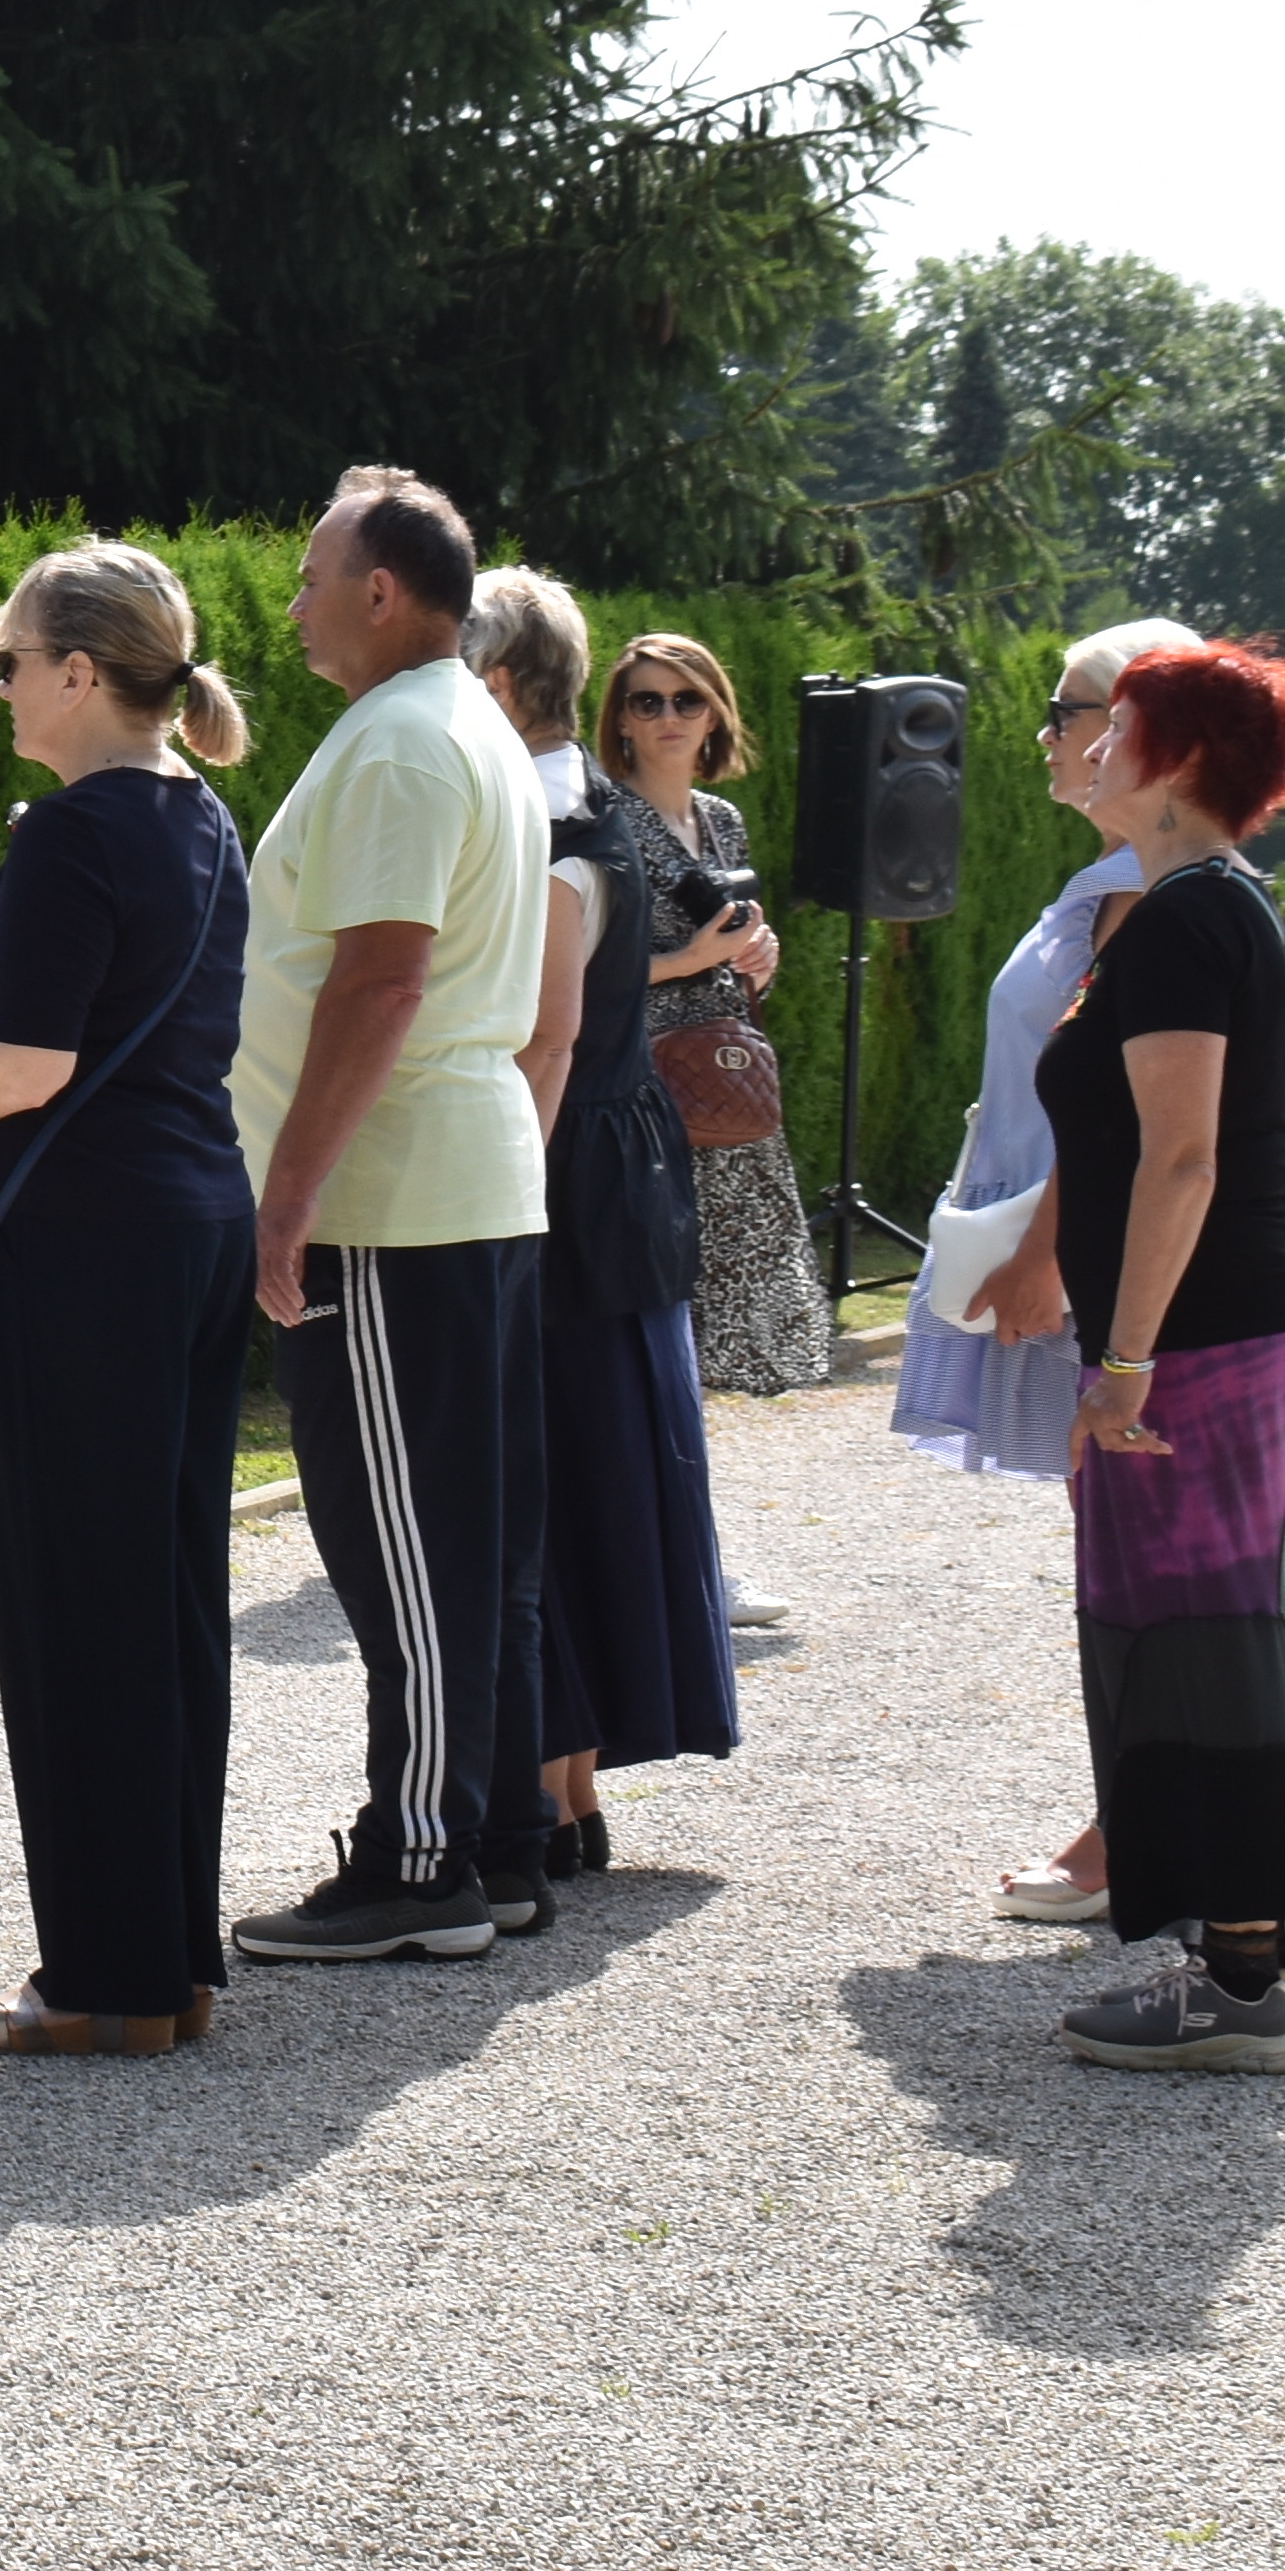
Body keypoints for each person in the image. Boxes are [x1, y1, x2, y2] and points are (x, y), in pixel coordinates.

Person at [0, 544, 257, 2055]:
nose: (0, 678)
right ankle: (167, 1955)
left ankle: (105, 1981)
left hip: (93, 1253)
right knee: (163, 1599)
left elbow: (37, 1063)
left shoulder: (80, 832)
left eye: (13, 656)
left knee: (77, 1608)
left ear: (82, 672)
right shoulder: (204, 817)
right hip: (193, 1228)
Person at [224, 469, 557, 1967]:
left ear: (382, 591)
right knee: (465, 1536)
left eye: (312, 574)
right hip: (452, 1172)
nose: (292, 602)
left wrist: (288, 1193)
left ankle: (420, 1858)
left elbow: (381, 978)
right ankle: (485, 1841)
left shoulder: (408, 742)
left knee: (403, 1543)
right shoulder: (459, 722)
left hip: (391, 1189)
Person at [1026, 638, 1285, 2074]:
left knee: (1209, 1650)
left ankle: (1243, 1976)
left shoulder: (1187, 922)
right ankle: (1224, 1949)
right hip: (1207, 1341)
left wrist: (1129, 1361)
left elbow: (1187, 1159)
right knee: (1184, 1642)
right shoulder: (1185, 911)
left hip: (1199, 1349)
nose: (1086, 740)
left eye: (1115, 721)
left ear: (1173, 755)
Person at [893, 615, 1200, 1927]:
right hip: (1065, 1242)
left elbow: (1124, 1102)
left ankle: (1139, 1834)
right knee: (1121, 1552)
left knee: (1142, 1556)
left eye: (1068, 711)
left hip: (1091, 1264)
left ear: (1131, 727)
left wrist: (1043, 1256)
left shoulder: (1146, 882)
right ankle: (1129, 1820)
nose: (1050, 739)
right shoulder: (1112, 875)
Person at [471, 572, 734, 1875]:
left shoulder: (556, 814)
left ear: (502, 680)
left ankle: (554, 1781)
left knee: (560, 1466)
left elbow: (544, 1035)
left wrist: (498, 1197)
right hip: (612, 1155)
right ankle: (566, 1790)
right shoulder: (590, 803)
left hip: (565, 1163)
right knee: (589, 1463)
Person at [600, 635, 825, 1409]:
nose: (668, 716)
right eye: (647, 701)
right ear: (621, 720)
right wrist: (690, 960)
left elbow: (729, 940)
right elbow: (572, 969)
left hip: (723, 1070)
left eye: (686, 699)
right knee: (657, 1292)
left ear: (714, 715)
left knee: (731, 1294)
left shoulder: (721, 819)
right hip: (642, 1076)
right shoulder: (603, 815)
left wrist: (758, 953)